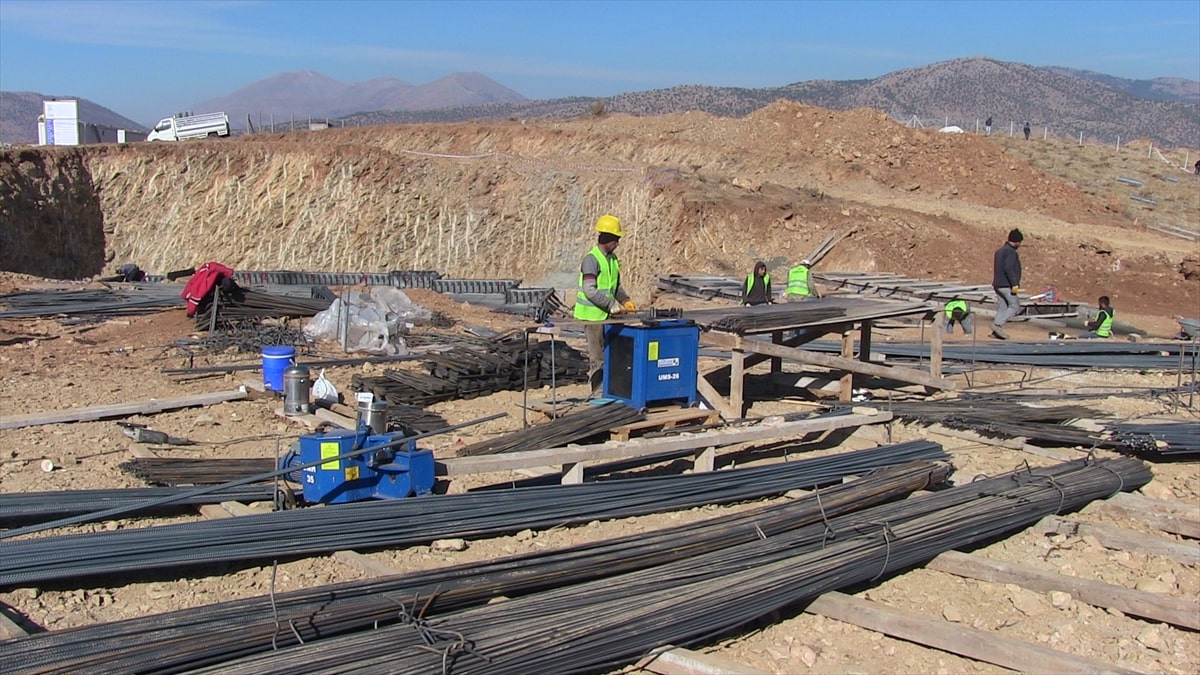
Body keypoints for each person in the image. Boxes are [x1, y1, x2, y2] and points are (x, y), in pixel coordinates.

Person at [574, 214, 635, 398]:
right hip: (592, 317)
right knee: (598, 358)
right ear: (607, 238)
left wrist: (625, 300)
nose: (618, 243)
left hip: (607, 316)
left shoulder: (612, 259)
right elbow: (589, 290)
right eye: (616, 239)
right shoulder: (591, 260)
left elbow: (615, 286)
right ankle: (597, 394)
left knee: (613, 356)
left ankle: (612, 391)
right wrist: (611, 305)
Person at [990, 229, 1023, 340]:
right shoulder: (1010, 252)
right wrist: (1014, 283)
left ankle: (995, 332)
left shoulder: (999, 251)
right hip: (1006, 284)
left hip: (997, 284)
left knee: (1003, 307)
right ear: (1017, 241)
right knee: (1014, 306)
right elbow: (1008, 268)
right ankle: (997, 325)